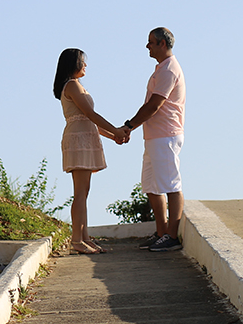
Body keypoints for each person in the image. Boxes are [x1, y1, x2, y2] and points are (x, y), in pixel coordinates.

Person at [53, 47, 129, 255]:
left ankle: (84, 237)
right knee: (80, 193)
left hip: (84, 137)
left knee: (84, 192)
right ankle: (76, 240)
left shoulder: (76, 86)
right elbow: (90, 114)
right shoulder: (72, 85)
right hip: (79, 140)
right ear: (73, 64)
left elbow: (90, 120)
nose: (85, 65)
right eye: (82, 61)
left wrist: (113, 135)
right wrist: (115, 130)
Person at [119, 27, 186, 252]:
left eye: (151, 42)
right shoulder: (161, 69)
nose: (147, 46)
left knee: (171, 185)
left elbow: (154, 105)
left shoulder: (169, 70)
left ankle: (172, 236)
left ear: (162, 44)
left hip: (165, 135)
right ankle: (161, 232)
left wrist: (129, 126)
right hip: (155, 136)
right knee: (151, 185)